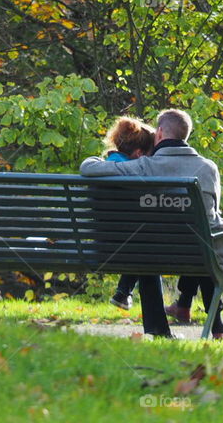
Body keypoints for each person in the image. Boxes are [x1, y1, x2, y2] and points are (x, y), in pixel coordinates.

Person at [80, 108, 223, 340]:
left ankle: (158, 329)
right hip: (202, 252)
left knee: (146, 249)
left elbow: (89, 168)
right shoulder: (208, 167)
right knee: (203, 237)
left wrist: (95, 158)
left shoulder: (145, 165)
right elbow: (213, 213)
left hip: (155, 253)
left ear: (160, 133)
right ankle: (218, 330)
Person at [99, 116, 155, 310]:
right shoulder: (137, 174)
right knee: (147, 240)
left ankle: (123, 292)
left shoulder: (102, 166)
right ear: (139, 154)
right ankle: (124, 291)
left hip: (101, 244)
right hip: (133, 247)